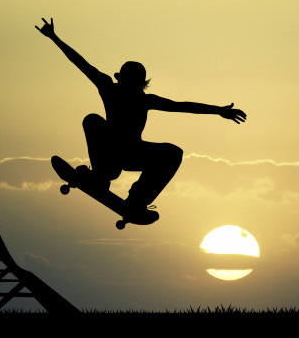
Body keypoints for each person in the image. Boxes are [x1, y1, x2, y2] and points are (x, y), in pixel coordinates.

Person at [35, 18, 247, 220]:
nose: (132, 88)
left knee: (173, 153)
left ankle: (136, 199)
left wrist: (218, 110)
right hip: (114, 154)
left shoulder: (127, 94)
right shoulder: (112, 89)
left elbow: (182, 106)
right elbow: (80, 63)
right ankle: (101, 177)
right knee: (92, 120)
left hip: (130, 154)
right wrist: (55, 38)